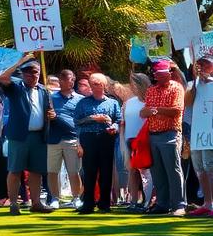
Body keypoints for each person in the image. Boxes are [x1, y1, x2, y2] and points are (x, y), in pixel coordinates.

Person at [0, 57, 55, 215]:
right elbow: (1, 78)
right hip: (19, 136)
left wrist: (52, 115)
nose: (31, 76)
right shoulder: (15, 88)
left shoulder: (44, 90)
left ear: (39, 73)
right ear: (22, 74)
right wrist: (20, 62)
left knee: (36, 171)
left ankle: (36, 203)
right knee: (15, 170)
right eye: (27, 73)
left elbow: (49, 110)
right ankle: (14, 203)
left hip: (39, 136)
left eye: (34, 72)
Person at [184, 56, 213, 217]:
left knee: (211, 168)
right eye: (199, 63)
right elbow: (187, 102)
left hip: (212, 133)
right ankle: (208, 203)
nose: (201, 66)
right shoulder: (192, 84)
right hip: (196, 133)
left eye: (205, 63)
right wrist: (197, 83)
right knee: (200, 170)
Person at [142, 59, 187, 217]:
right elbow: (143, 112)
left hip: (170, 133)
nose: (158, 77)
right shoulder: (151, 90)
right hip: (153, 134)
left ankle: (179, 204)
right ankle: (162, 203)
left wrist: (153, 110)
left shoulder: (177, 88)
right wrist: (157, 110)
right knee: (158, 171)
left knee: (173, 170)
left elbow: (175, 110)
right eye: (156, 75)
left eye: (161, 74)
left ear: (169, 74)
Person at [73, 73, 122, 213]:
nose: (95, 87)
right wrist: (93, 118)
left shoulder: (112, 102)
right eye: (92, 84)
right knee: (89, 171)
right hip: (88, 138)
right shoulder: (83, 102)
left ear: (104, 85)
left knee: (106, 171)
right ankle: (88, 203)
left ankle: (104, 203)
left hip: (106, 137)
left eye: (97, 84)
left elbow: (118, 120)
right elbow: (77, 120)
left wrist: (114, 127)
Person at [46, 69, 83, 209]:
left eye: (73, 79)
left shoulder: (79, 99)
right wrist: (48, 115)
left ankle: (76, 198)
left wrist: (57, 117)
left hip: (72, 138)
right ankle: (55, 198)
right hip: (53, 138)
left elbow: (80, 120)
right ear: (60, 81)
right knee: (52, 171)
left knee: (74, 171)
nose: (71, 82)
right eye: (68, 79)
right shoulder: (50, 97)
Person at [121, 73, 152, 211]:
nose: (131, 86)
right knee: (132, 171)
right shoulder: (129, 102)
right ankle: (133, 200)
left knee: (146, 172)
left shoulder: (150, 100)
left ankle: (148, 200)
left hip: (144, 140)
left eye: (133, 83)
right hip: (129, 139)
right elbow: (123, 121)